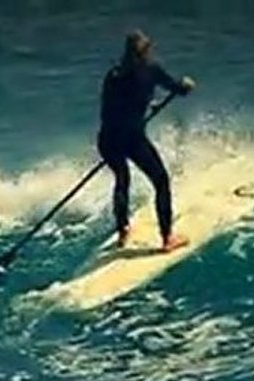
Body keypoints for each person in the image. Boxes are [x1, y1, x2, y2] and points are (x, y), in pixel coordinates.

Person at [98, 30, 196, 252]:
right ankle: (167, 238)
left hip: (107, 138)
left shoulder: (113, 74)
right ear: (146, 51)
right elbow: (178, 89)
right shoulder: (151, 70)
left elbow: (113, 106)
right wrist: (187, 84)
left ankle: (122, 229)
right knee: (161, 181)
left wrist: (142, 109)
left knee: (122, 179)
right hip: (132, 138)